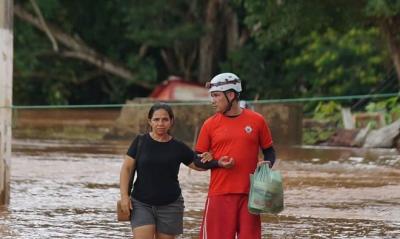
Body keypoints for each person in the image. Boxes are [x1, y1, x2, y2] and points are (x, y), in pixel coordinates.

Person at [119, 102, 231, 239]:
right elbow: (126, 169)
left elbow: (197, 165)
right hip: (141, 203)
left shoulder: (178, 146)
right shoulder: (140, 141)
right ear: (150, 121)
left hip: (170, 205)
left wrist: (217, 161)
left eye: (165, 119)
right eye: (156, 119)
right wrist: (124, 196)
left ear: (171, 121)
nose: (161, 123)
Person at [194, 72, 276, 239]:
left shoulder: (257, 120)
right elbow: (197, 160)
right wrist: (217, 163)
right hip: (219, 195)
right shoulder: (209, 124)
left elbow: (269, 151)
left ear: (231, 95)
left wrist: (266, 165)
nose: (212, 101)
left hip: (251, 196)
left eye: (216, 95)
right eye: (212, 96)